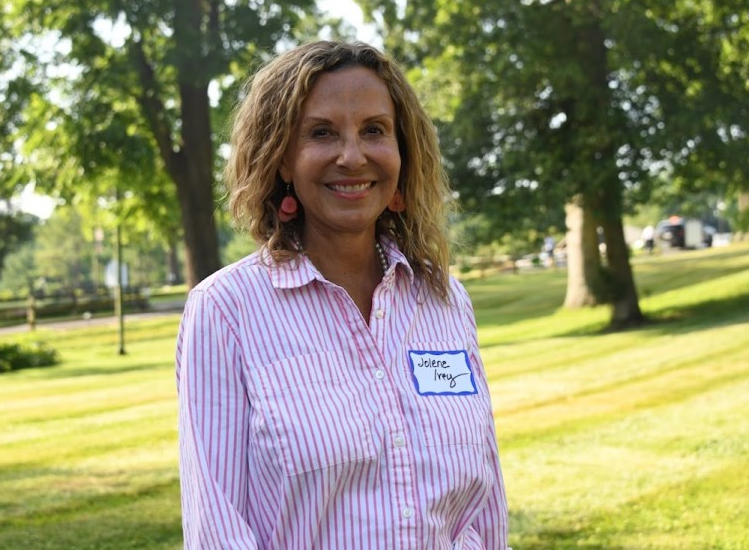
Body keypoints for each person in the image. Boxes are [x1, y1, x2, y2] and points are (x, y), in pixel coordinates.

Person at [176, 40, 509, 549]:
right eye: (321, 133)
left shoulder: (445, 301)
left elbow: (482, 510)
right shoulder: (225, 311)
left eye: (374, 130)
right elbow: (217, 527)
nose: (352, 156)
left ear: (402, 151)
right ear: (282, 159)